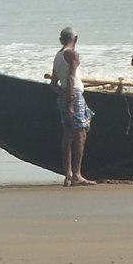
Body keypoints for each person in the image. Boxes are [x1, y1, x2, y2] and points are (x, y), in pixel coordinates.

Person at [51, 26, 94, 186]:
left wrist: (63, 95)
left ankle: (68, 175)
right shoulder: (72, 54)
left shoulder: (58, 55)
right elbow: (70, 78)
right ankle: (77, 175)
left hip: (65, 94)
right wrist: (70, 102)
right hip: (73, 95)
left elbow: (53, 84)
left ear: (61, 40)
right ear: (75, 39)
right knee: (80, 135)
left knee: (68, 135)